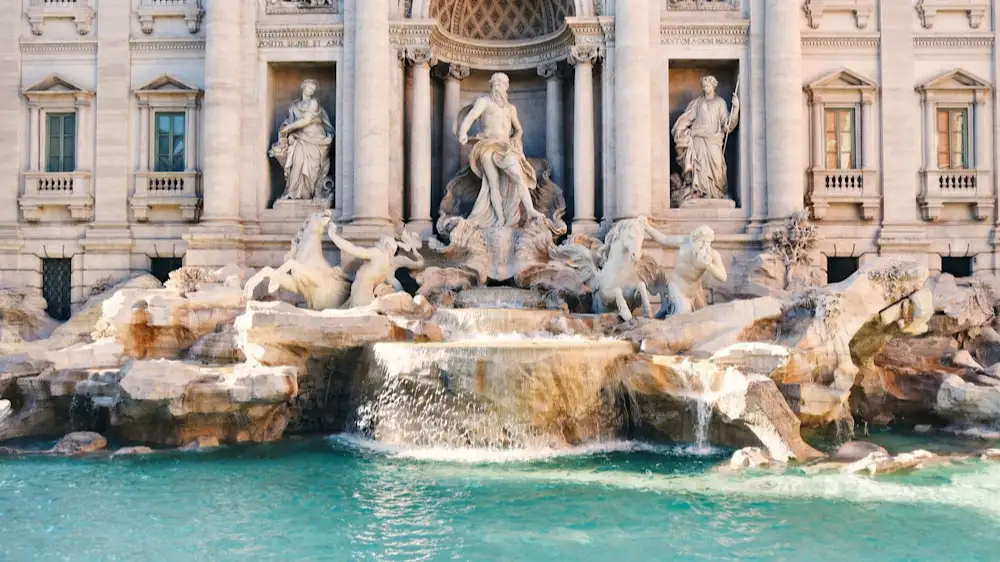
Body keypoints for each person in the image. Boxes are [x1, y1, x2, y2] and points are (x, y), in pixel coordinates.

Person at [455, 72, 545, 228]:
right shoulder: (484, 102)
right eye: (495, 84)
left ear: (506, 87)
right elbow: (470, 117)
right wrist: (463, 132)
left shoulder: (511, 108)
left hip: (505, 147)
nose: (498, 86)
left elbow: (519, 129)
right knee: (493, 183)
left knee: (518, 175)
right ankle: (500, 218)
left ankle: (530, 210)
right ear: (491, 86)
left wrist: (516, 139)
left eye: (501, 84)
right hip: (487, 145)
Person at [671, 75, 739, 202]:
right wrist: (680, 130)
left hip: (714, 140)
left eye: (707, 85)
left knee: (717, 167)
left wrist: (735, 109)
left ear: (713, 86)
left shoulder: (720, 103)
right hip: (698, 139)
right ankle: (699, 192)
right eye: (703, 86)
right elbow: (687, 118)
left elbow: (727, 124)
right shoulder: (697, 103)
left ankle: (717, 192)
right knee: (700, 167)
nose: (705, 88)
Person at [270, 79, 334, 200]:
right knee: (297, 163)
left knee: (312, 169)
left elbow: (307, 120)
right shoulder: (294, 106)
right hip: (299, 138)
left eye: (313, 89)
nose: (311, 90)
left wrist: (288, 128)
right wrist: (285, 130)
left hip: (315, 139)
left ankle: (307, 194)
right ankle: (292, 192)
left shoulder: (314, 103)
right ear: (303, 87)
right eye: (309, 87)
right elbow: (288, 121)